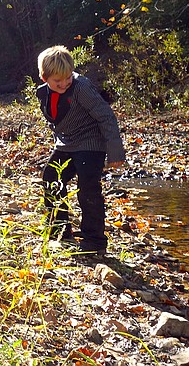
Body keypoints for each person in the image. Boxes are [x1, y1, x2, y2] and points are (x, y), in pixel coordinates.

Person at [36, 45, 125, 255]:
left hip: (91, 143)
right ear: (44, 78)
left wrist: (115, 151)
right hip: (67, 143)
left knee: (88, 187)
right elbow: (56, 121)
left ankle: (94, 240)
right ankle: (60, 231)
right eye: (58, 81)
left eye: (67, 78)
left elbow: (105, 116)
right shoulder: (42, 93)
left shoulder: (81, 87)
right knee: (51, 177)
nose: (65, 83)